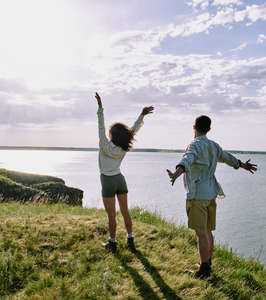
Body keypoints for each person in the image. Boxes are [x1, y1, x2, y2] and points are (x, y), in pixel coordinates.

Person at [167, 115, 257, 279]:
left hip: (197, 196)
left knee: (200, 234)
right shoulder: (214, 146)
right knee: (208, 231)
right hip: (211, 195)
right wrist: (243, 165)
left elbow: (187, 160)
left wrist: (176, 173)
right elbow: (228, 158)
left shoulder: (194, 145)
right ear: (209, 129)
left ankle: (203, 272)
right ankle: (206, 264)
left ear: (194, 126)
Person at [94, 92, 154, 253]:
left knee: (112, 215)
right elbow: (133, 130)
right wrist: (141, 115)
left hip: (107, 181)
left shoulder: (105, 146)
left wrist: (100, 107)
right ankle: (130, 239)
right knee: (125, 211)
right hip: (120, 180)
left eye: (109, 133)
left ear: (111, 134)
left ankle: (112, 243)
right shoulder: (123, 146)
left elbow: (101, 126)